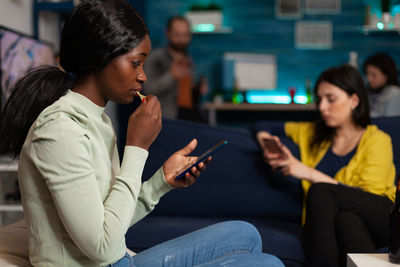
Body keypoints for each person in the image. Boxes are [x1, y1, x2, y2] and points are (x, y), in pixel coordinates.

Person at [0, 1, 284, 266]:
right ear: (100, 59)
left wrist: (162, 182)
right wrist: (137, 147)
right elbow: (102, 245)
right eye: (136, 63)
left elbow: (111, 221)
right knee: (268, 263)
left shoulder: (98, 122)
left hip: (117, 259)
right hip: (107, 259)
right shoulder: (59, 132)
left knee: (246, 234)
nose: (143, 77)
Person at [254, 64, 396, 267]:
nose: (322, 107)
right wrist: (268, 145)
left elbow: (368, 194)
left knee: (320, 190)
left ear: (354, 100)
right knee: (346, 221)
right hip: (348, 223)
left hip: (384, 218)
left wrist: (306, 172)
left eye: (331, 99)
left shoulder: (377, 140)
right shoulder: (312, 133)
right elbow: (263, 125)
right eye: (319, 99)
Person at [143, 15, 207, 122]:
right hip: (165, 120)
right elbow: (147, 90)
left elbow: (187, 98)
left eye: (185, 35)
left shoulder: (188, 60)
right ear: (167, 33)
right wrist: (171, 75)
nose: (182, 40)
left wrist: (198, 90)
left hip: (189, 117)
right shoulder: (156, 58)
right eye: (177, 35)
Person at [363, 52, 400, 117]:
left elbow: (390, 121)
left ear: (386, 76)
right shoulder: (369, 93)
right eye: (367, 74)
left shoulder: (395, 94)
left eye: (374, 75)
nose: (369, 79)